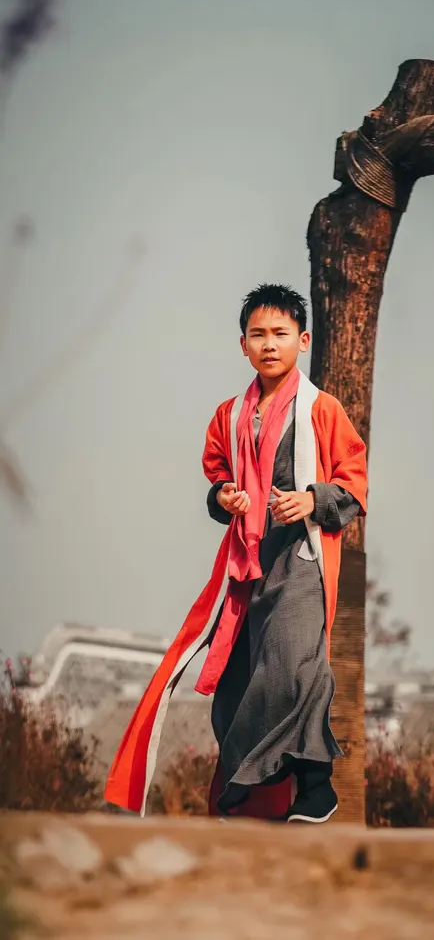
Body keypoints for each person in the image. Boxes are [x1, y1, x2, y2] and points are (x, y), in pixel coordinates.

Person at [104, 283, 367, 823]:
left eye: (281, 334)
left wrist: (311, 499)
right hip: (246, 563)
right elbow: (218, 482)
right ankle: (248, 781)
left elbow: (355, 482)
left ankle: (317, 785)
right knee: (235, 682)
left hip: (301, 559)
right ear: (242, 345)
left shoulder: (322, 409)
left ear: (303, 340)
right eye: (258, 334)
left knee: (295, 663)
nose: (269, 344)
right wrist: (224, 496)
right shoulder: (229, 415)